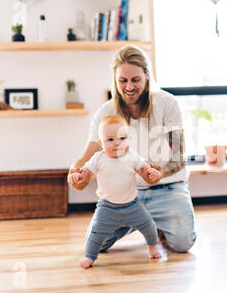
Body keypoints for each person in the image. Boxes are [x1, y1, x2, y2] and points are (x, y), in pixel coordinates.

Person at [69, 45, 196, 254]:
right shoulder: (106, 112)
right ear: (115, 79)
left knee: (183, 244)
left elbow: (179, 157)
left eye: (135, 80)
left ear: (147, 76)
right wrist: (75, 173)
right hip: (124, 194)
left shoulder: (167, 103)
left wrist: (157, 173)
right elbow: (88, 155)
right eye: (123, 80)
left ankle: (153, 225)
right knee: (96, 245)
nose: (129, 86)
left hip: (168, 188)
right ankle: (143, 223)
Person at [69, 115, 162, 269]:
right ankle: (89, 256)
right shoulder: (98, 158)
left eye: (122, 138)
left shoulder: (132, 157)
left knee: (149, 225)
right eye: (110, 140)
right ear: (101, 143)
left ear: (129, 138)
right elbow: (85, 172)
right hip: (107, 207)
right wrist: (78, 175)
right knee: (95, 234)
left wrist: (154, 173)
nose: (117, 143)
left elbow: (146, 170)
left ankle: (152, 247)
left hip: (132, 205)